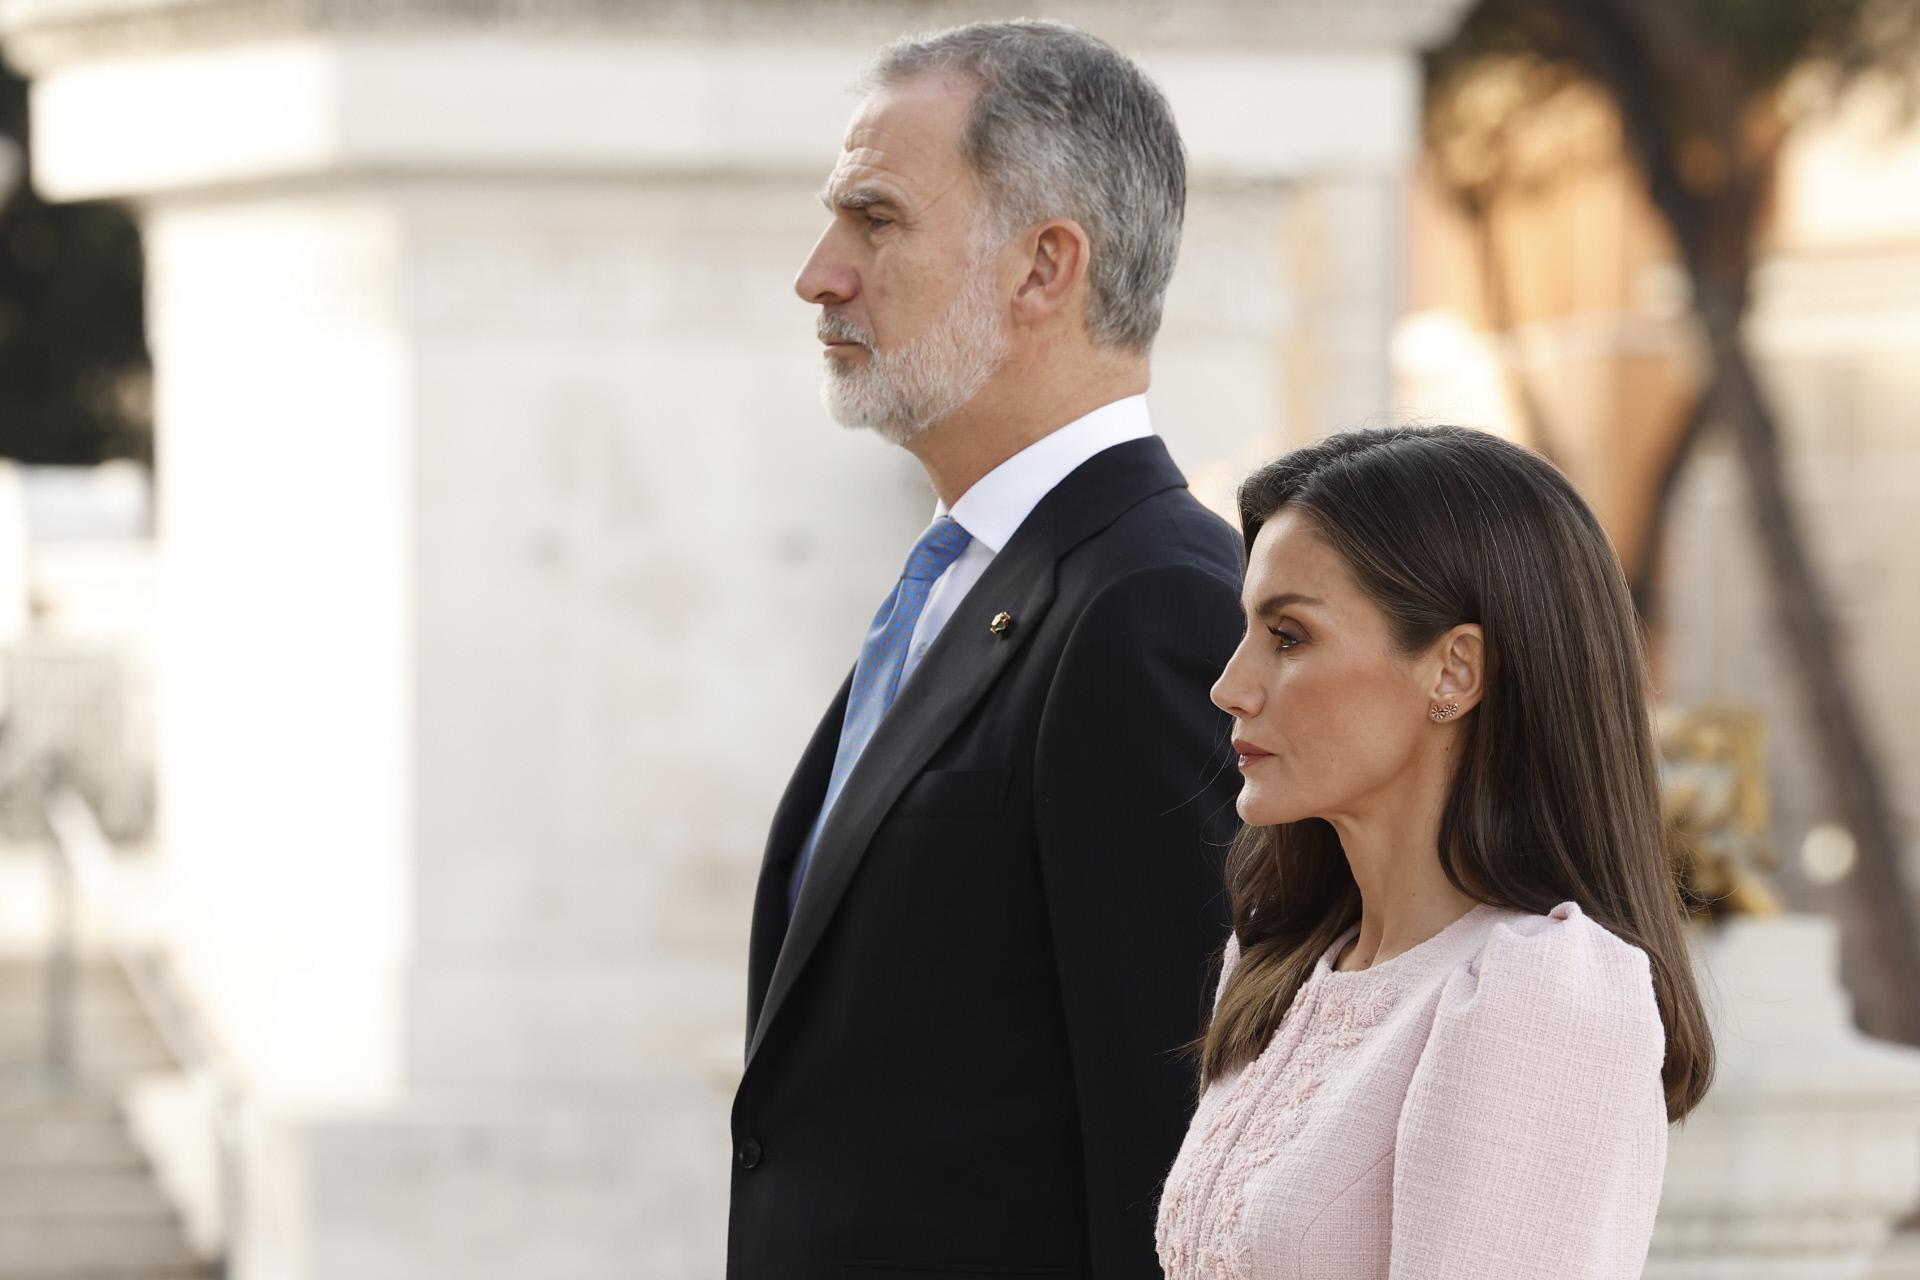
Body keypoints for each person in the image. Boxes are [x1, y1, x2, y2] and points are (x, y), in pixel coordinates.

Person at [728, 20, 1244, 1279]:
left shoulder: (1152, 607)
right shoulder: (975, 580)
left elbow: (1168, 1154)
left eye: (877, 220)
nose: (819, 274)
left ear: (1043, 267)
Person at [1156, 426, 1715, 1278]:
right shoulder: (1280, 968)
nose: (1231, 685)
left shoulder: (1538, 995)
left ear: (1454, 671)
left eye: (1290, 635)